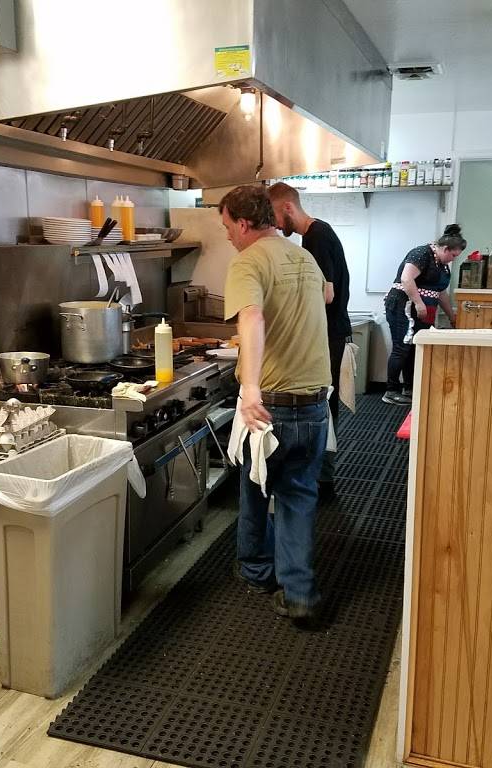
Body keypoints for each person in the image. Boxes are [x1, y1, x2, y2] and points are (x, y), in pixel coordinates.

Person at [220, 185, 331, 625]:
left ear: (244, 223)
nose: (228, 235)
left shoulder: (247, 261)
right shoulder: (303, 257)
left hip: (270, 408)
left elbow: (251, 316)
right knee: (298, 495)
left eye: (228, 226)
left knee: (254, 486)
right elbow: (326, 296)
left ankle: (255, 569)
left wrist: (250, 388)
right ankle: (300, 594)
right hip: (314, 403)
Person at [267, 181, 350, 501]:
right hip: (329, 331)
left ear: (288, 207)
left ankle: (322, 479)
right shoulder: (315, 234)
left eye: (275, 215)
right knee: (323, 403)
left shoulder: (317, 236)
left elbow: (326, 293)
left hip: (328, 333)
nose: (275, 224)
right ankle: (320, 476)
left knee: (322, 403)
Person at [383, 224, 465, 405]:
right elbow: (406, 278)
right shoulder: (421, 253)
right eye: (453, 255)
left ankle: (409, 388)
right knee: (402, 347)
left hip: (423, 310)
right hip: (403, 305)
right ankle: (391, 391)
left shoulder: (442, 266)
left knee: (415, 347)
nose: (453, 259)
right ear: (445, 248)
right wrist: (419, 303)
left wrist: (452, 317)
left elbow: (441, 293)